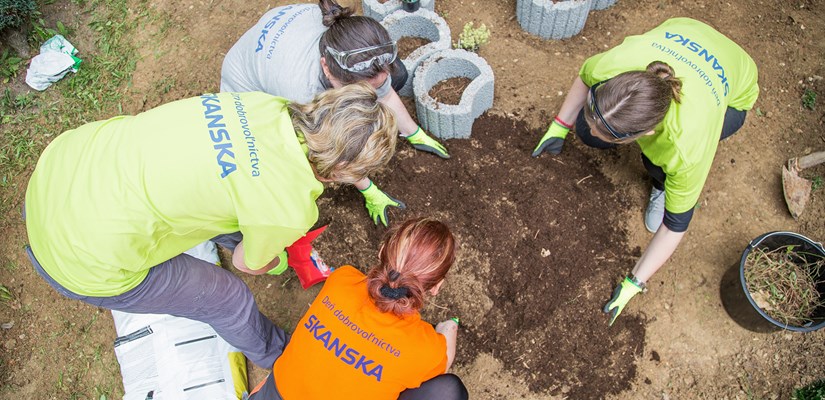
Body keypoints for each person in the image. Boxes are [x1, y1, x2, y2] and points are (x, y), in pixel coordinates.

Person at [24, 82, 397, 368]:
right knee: (226, 297)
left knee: (221, 185)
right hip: (81, 258)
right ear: (342, 172)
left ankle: (247, 237)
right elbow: (245, 264)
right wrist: (273, 259)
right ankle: (281, 357)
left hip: (62, 170)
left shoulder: (263, 104)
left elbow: (236, 174)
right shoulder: (286, 207)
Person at [532, 18, 759, 325]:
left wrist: (634, 282)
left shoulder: (686, 143)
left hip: (735, 87)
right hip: (686, 30)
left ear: (647, 132)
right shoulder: (615, 65)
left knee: (657, 165)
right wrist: (560, 126)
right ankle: (598, 128)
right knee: (587, 131)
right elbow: (586, 77)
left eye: (612, 135)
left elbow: (675, 224)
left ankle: (660, 186)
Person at [221, 0, 450, 226]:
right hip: (246, 90)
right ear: (327, 69)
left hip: (280, 40)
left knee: (398, 76)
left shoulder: (350, 43)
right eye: (363, 92)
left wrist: (413, 132)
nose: (375, 92)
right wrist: (369, 189)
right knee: (276, 151)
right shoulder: (304, 92)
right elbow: (334, 152)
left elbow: (385, 91)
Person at [248, 217, 467, 400]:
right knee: (449, 390)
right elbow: (443, 361)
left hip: (273, 394)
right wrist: (448, 328)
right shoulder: (425, 350)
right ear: (436, 287)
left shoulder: (341, 280)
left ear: (381, 251)